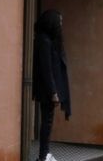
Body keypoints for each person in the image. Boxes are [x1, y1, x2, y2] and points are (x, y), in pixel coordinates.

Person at [33, 10, 71, 161]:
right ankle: (43, 156)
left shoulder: (47, 40)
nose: (60, 25)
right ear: (52, 23)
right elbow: (46, 69)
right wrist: (53, 92)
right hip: (47, 90)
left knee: (47, 122)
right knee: (46, 123)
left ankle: (45, 154)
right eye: (59, 22)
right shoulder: (44, 41)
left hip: (48, 89)